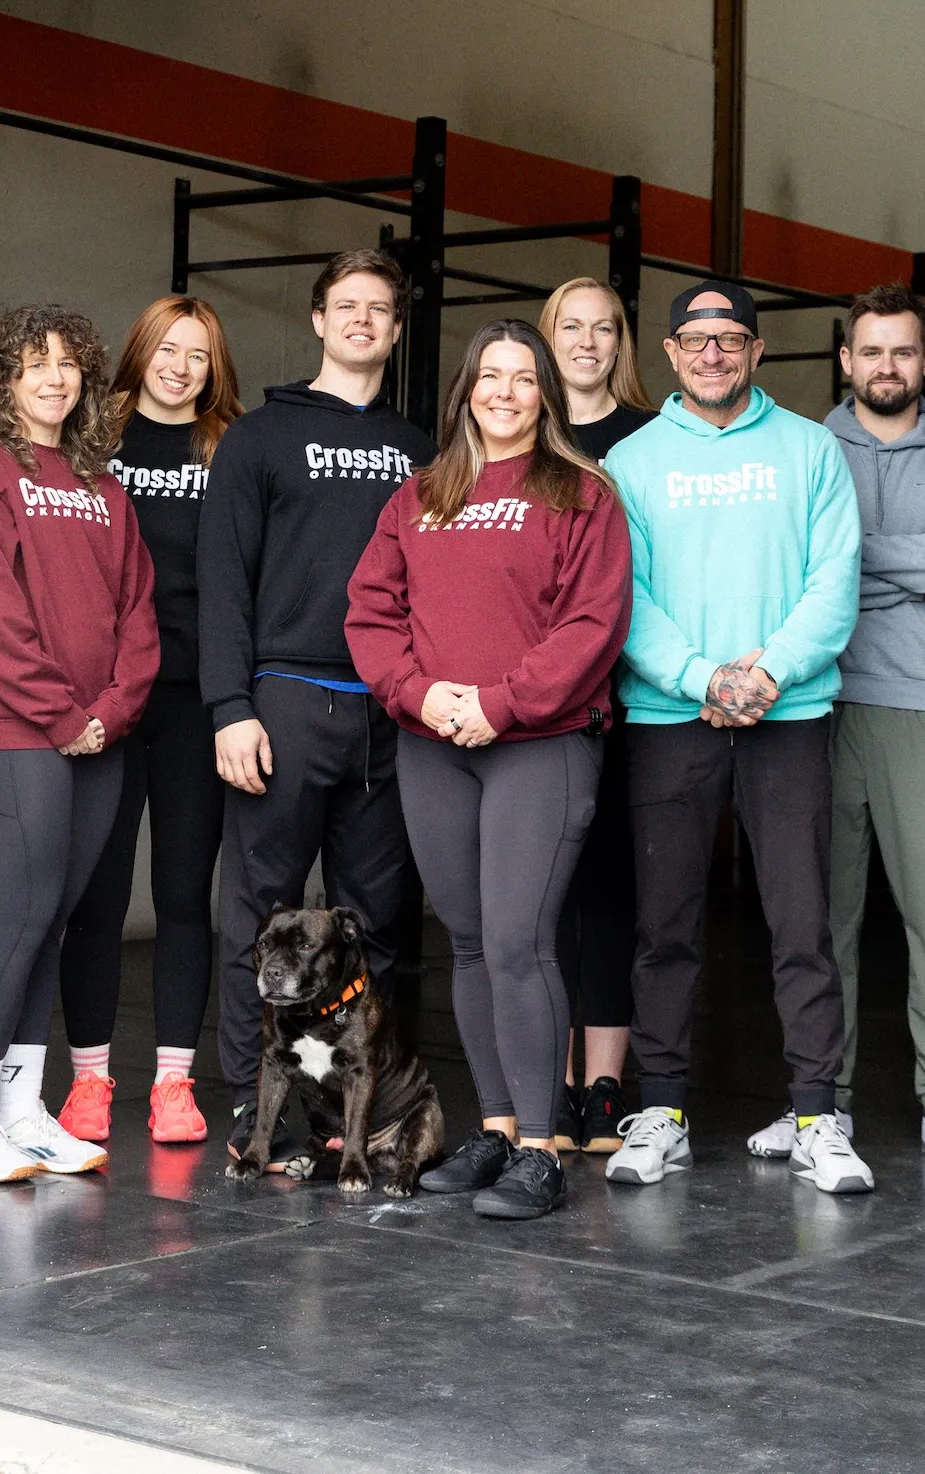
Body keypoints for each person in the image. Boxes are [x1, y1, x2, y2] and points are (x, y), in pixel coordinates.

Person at [346, 319, 632, 1222]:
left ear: (544, 393)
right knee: (468, 943)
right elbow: (370, 612)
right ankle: (501, 1129)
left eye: (522, 378)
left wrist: (497, 704)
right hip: (433, 742)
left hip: (540, 744)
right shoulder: (420, 495)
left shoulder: (583, 493)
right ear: (465, 388)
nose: (504, 392)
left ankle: (544, 1147)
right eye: (489, 377)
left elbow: (592, 627)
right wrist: (421, 696)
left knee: (520, 942)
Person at [602, 280, 871, 1195]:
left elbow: (836, 577)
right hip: (671, 718)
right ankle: (665, 1111)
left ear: (757, 352)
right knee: (664, 928)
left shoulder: (810, 450)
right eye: (694, 340)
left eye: (730, 339)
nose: (712, 353)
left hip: (787, 715)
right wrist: (701, 678)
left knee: (802, 925)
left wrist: (765, 675)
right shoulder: (632, 462)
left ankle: (816, 1117)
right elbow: (623, 596)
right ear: (669, 355)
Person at [749, 284, 925, 1174]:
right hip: (813, 701)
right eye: (871, 351)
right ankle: (825, 1105)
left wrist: (850, 555)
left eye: (904, 351)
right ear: (846, 360)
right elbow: (788, 567)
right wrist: (892, 562)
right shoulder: (807, 451)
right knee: (821, 921)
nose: (887, 366)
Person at [197, 250, 434, 1168]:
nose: (363, 321)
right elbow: (224, 583)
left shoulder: (420, 450)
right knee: (259, 913)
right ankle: (254, 1113)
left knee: (371, 923)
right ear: (318, 319)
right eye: (347, 306)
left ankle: (350, 1113)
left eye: (380, 307)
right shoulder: (259, 438)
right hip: (285, 701)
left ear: (397, 327)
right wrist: (229, 707)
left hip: (387, 708)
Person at [0, 305, 158, 1185]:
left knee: (50, 925)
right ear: (2, 381)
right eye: (35, 366)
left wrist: (113, 708)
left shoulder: (104, 488)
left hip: (97, 732)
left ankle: (22, 1113)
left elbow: (139, 612)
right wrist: (66, 715)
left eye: (68, 365)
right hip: (9, 731)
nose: (55, 380)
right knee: (20, 916)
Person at [56, 296, 242, 1149]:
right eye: (166, 350)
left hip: (192, 702)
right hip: (106, 700)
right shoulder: (93, 442)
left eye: (197, 355)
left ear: (214, 369)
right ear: (139, 354)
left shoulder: (229, 447)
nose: (180, 366)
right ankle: (89, 1080)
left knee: (180, 897)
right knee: (95, 897)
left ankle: (175, 1081)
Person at [539, 276, 655, 1155]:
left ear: (623, 341)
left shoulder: (653, 441)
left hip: (630, 693)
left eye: (602, 328)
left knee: (610, 884)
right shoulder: (513, 432)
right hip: (533, 700)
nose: (585, 342)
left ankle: (606, 1083)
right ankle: (548, 1078)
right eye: (569, 328)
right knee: (541, 892)